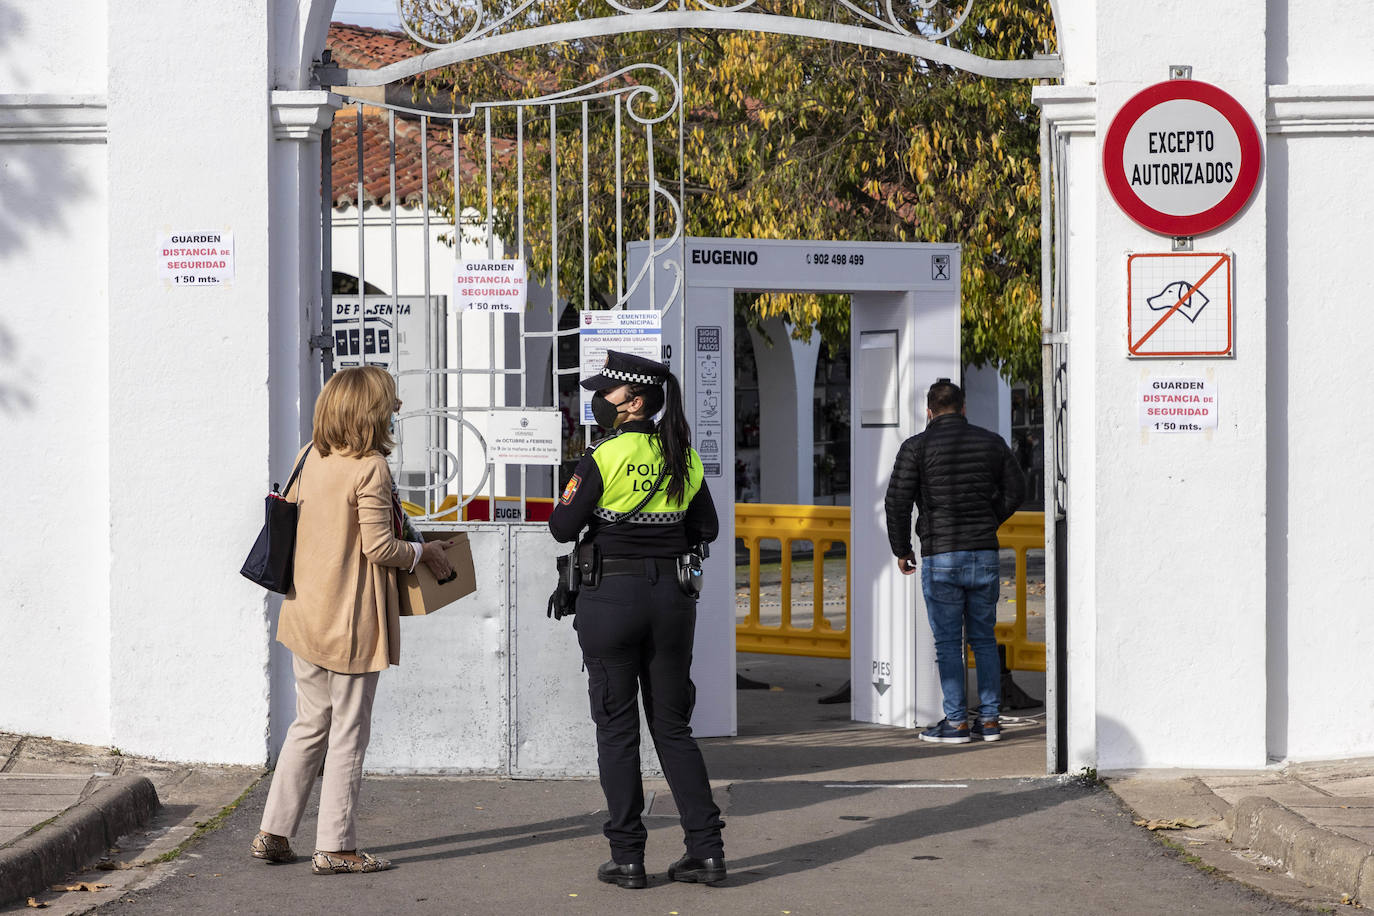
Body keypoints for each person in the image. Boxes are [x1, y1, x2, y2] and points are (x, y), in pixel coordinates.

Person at [250, 366, 455, 875]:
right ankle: (336, 847)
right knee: (347, 732)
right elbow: (379, 546)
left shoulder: (308, 456)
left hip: (305, 613)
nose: (397, 409)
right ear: (370, 412)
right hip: (351, 619)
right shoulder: (370, 469)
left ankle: (274, 832)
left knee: (309, 723)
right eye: (389, 403)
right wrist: (423, 552)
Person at [548, 350, 727, 889]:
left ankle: (627, 856)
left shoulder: (602, 454)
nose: (600, 400)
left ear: (636, 401)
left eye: (609, 393)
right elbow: (710, 529)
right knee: (673, 727)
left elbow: (562, 526)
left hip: (611, 599)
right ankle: (707, 851)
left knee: (617, 731)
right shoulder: (684, 455)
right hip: (672, 601)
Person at [883, 378, 1025, 745]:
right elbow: (1016, 490)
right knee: (983, 638)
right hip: (983, 552)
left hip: (941, 553)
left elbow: (896, 502)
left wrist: (902, 549)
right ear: (963, 408)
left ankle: (957, 722)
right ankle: (990, 720)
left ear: (928, 412)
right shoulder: (991, 442)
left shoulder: (916, 447)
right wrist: (990, 519)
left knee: (948, 643)